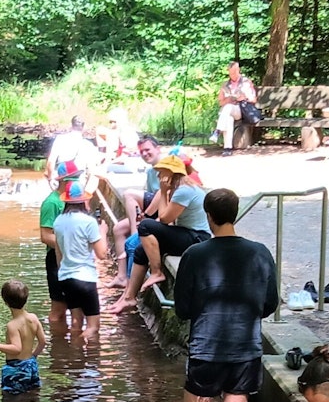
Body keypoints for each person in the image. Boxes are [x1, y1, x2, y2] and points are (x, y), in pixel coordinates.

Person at [173, 188, 279, 402]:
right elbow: (270, 303)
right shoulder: (261, 253)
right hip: (246, 351)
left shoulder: (194, 255)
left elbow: (182, 309)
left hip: (205, 351)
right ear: (236, 213)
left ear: (208, 216)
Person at [109, 155, 212, 313]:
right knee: (140, 250)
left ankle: (157, 272)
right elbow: (167, 220)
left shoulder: (184, 191)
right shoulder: (179, 189)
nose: (158, 176)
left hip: (196, 238)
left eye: (161, 173)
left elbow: (164, 219)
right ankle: (129, 298)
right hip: (188, 234)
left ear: (170, 174)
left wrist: (163, 192)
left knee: (145, 226)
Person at [50, 172, 110, 344]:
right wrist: (103, 233)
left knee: (76, 323)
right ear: (84, 200)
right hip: (85, 278)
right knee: (93, 327)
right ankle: (90, 365)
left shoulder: (58, 222)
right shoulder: (89, 222)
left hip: (66, 277)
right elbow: (102, 254)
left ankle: (74, 361)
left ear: (66, 201)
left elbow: (58, 254)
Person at [111, 135, 166, 278]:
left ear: (157, 149)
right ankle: (121, 276)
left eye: (147, 150)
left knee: (129, 194)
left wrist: (145, 216)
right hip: (152, 212)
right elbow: (148, 195)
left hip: (162, 211)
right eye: (141, 151)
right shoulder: (150, 172)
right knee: (118, 229)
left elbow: (162, 193)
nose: (144, 154)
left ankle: (137, 234)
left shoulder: (166, 167)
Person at [0, 279, 46, 393]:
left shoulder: (12, 325)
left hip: (16, 368)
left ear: (5, 302)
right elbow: (43, 342)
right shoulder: (33, 318)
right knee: (33, 394)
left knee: (12, 400)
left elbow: (16, 348)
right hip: (31, 366)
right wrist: (33, 356)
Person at [37, 170, 66, 331]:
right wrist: (69, 246)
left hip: (71, 259)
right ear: (63, 180)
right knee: (59, 308)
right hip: (56, 259)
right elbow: (45, 236)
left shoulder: (72, 200)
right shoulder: (52, 203)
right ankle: (57, 344)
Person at [213, 61, 258, 154]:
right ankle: (227, 149)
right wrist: (228, 99)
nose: (232, 75)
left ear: (238, 70)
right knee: (228, 118)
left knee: (228, 108)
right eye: (230, 73)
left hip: (241, 110)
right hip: (228, 112)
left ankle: (217, 131)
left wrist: (244, 97)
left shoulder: (246, 82)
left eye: (234, 72)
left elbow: (254, 99)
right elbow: (221, 102)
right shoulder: (225, 85)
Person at [45, 116, 100, 181]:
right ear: (84, 127)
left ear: (71, 125)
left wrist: (50, 178)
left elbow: (51, 161)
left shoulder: (60, 139)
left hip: (61, 177)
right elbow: (92, 169)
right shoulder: (88, 144)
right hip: (79, 180)